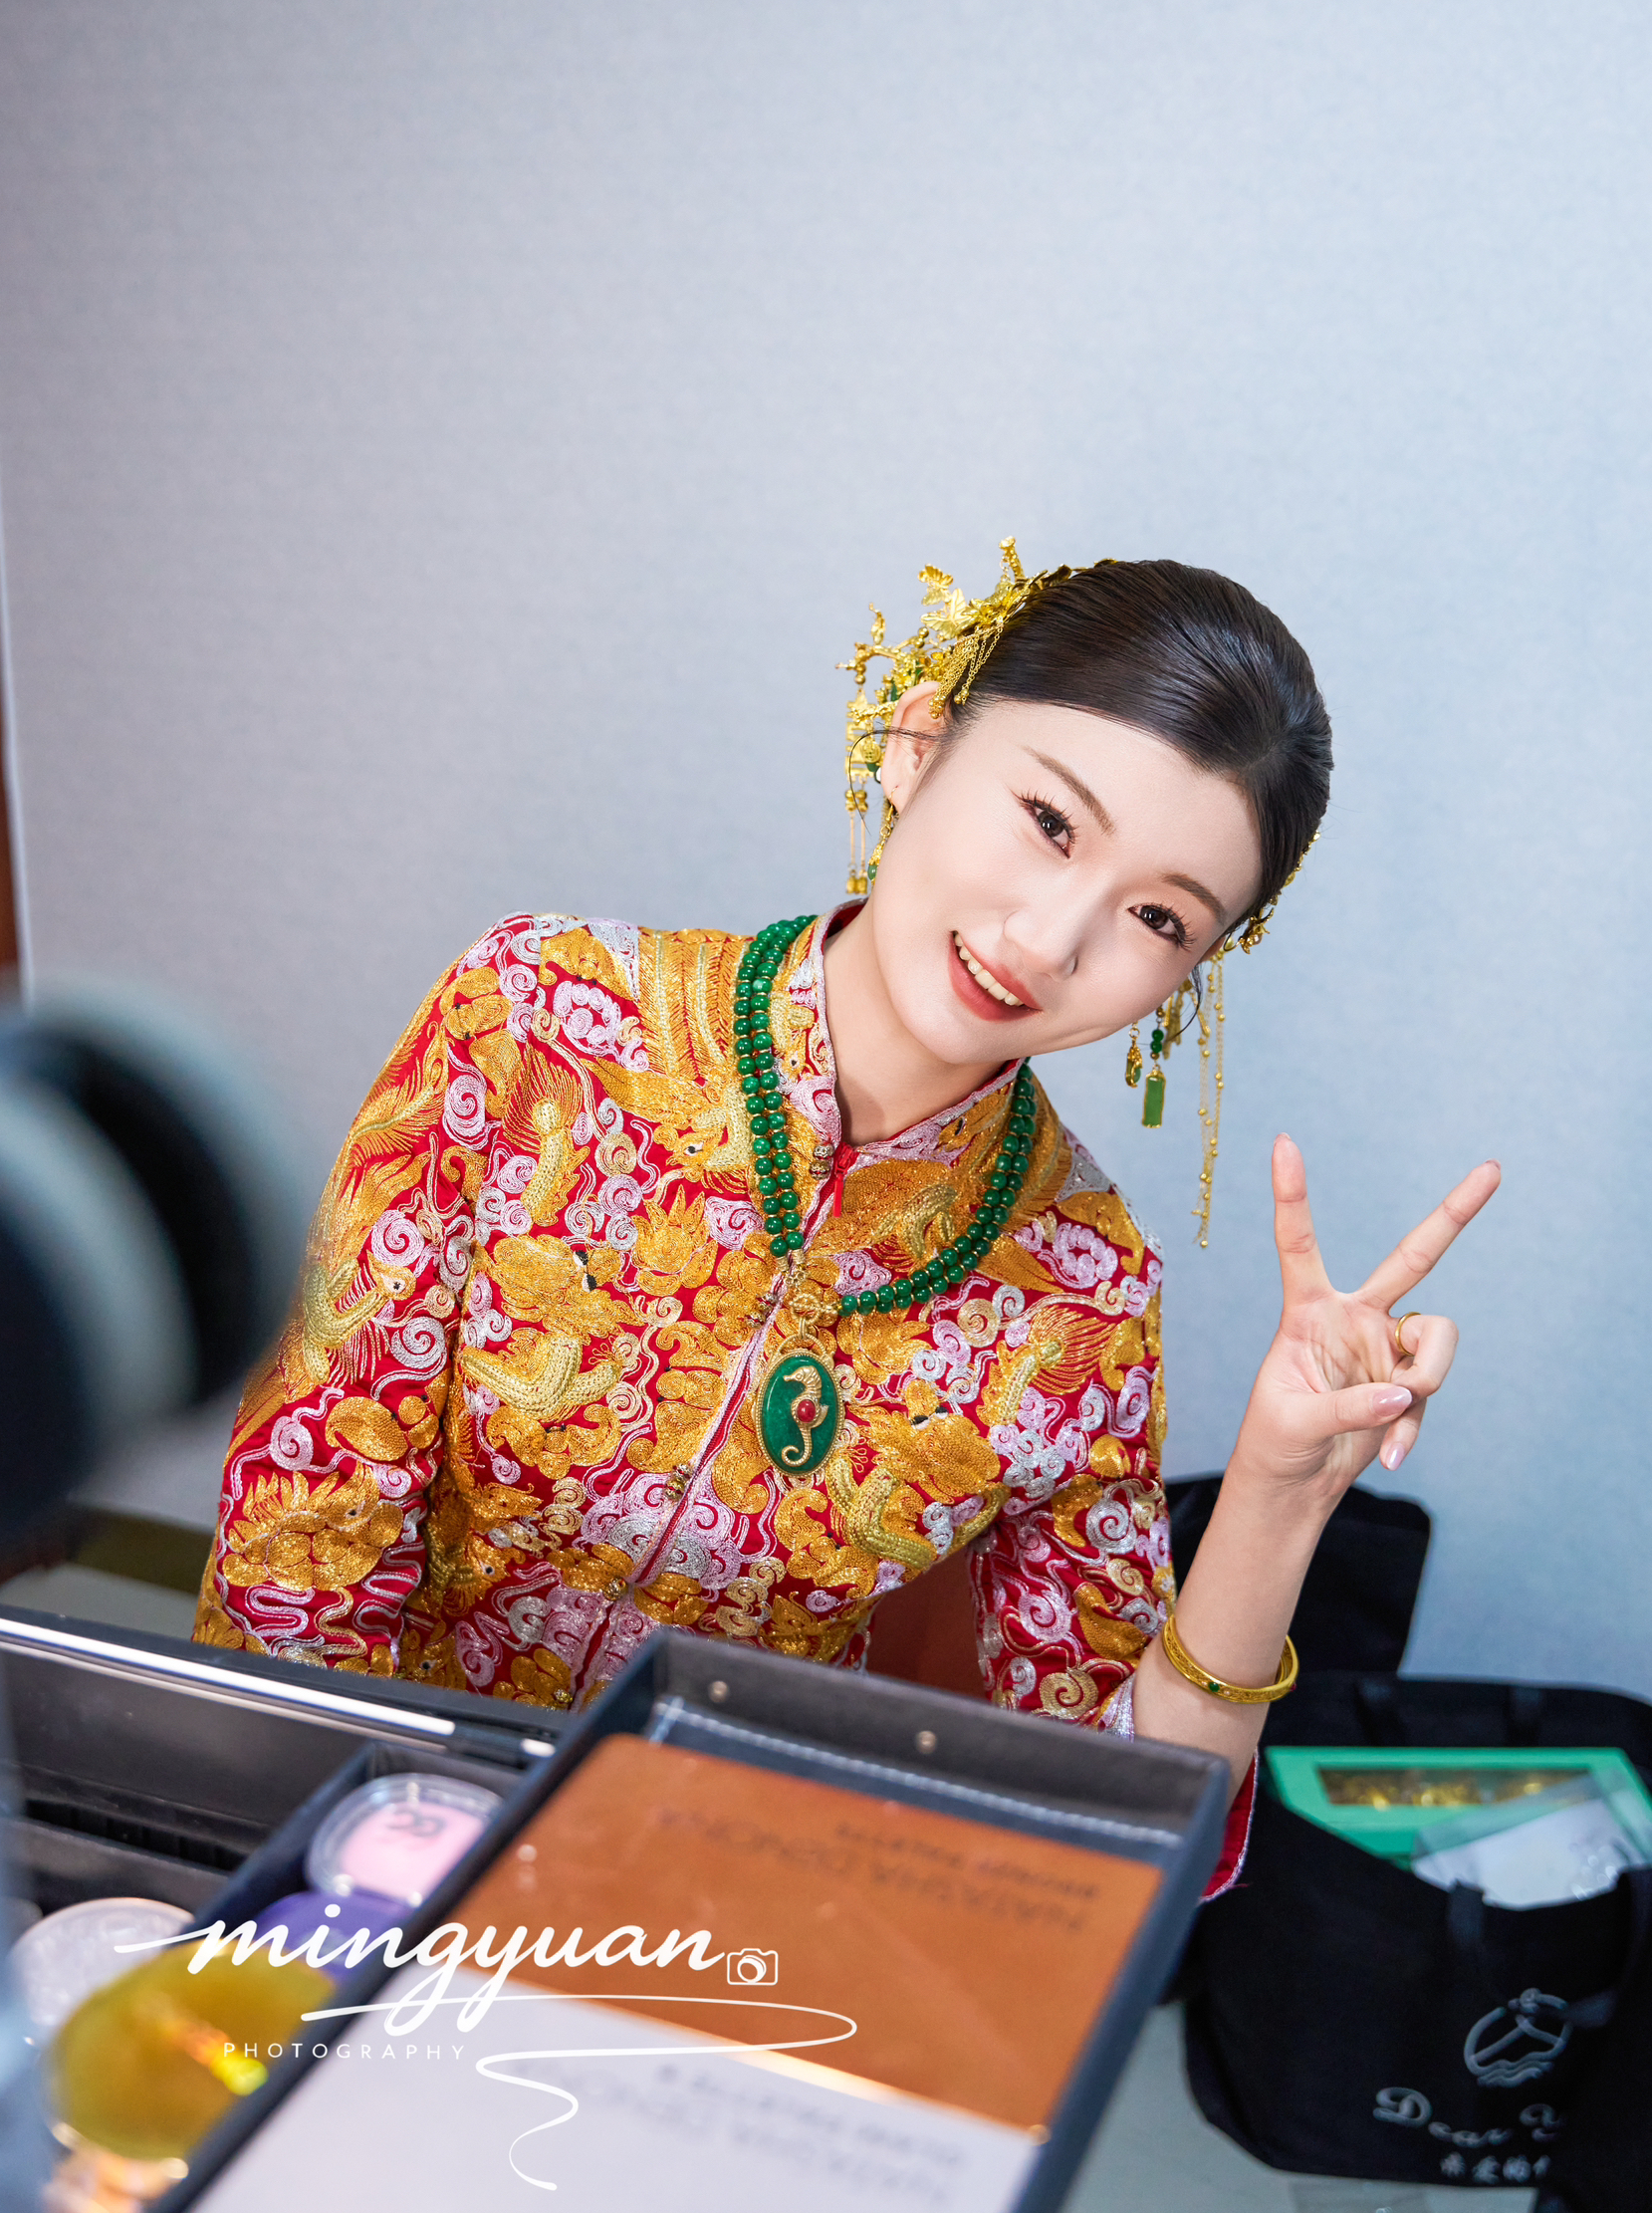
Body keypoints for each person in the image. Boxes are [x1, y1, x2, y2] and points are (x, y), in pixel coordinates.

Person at [193, 545, 1498, 1888]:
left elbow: (1114, 1818)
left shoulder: (1081, 1292)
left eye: (1158, 917)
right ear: (918, 746)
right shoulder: (536, 1020)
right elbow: (308, 1510)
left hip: (706, 1906)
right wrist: (345, 1887)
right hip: (345, 1829)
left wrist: (1277, 1497)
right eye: (1050, 822)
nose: (1050, 940)